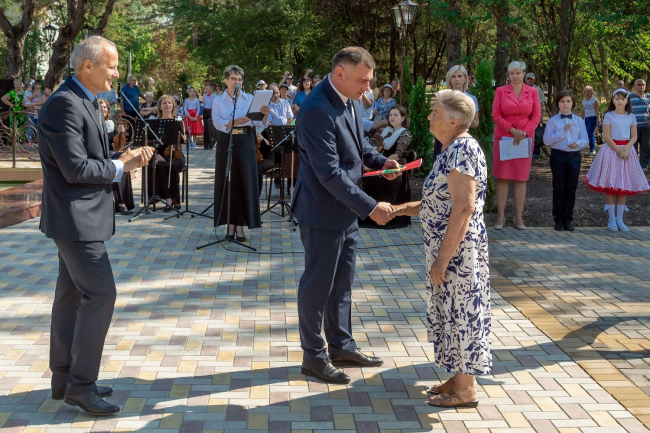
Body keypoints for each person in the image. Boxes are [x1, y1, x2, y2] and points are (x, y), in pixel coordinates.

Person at [38, 36, 153, 415]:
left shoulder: (84, 100)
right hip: (74, 220)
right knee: (101, 295)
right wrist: (122, 165)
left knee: (71, 297)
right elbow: (74, 169)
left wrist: (120, 157)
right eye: (111, 65)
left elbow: (87, 157)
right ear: (87, 66)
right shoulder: (64, 104)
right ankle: (81, 386)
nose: (117, 73)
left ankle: (64, 379)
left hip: (79, 218)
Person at [291, 47, 400, 384]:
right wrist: (371, 207)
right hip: (321, 212)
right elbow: (329, 173)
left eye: (369, 81)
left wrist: (382, 162)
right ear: (340, 73)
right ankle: (313, 357)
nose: (368, 88)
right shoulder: (315, 109)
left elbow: (358, 144)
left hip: (346, 211)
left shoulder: (351, 99)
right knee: (317, 286)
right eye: (362, 81)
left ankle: (341, 346)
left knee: (342, 284)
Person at [389, 89, 490, 408]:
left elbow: (464, 208)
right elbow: (437, 203)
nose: (430, 117)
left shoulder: (462, 149)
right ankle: (459, 378)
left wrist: (442, 260)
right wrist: (399, 209)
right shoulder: (452, 149)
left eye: (436, 112)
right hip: (450, 250)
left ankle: (466, 390)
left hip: (458, 253)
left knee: (462, 314)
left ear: (454, 120)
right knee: (451, 314)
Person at [212, 65, 271, 241]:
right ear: (226, 80)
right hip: (227, 141)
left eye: (240, 79)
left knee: (244, 183)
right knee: (228, 183)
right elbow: (216, 122)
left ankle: (240, 227)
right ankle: (229, 225)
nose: (237, 82)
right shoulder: (218, 100)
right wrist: (234, 122)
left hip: (245, 141)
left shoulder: (250, 98)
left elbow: (259, 123)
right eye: (233, 79)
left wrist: (264, 115)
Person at [585, 88, 649, 231]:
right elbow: (607, 136)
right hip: (611, 151)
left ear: (627, 101)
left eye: (623, 99)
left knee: (623, 185)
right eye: (617, 98)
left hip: (627, 152)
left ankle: (620, 219)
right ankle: (611, 219)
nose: (620, 101)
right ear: (613, 100)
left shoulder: (631, 116)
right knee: (611, 185)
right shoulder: (609, 115)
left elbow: (634, 136)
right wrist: (618, 150)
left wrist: (625, 149)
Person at [491, 61, 541, 230]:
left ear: (524, 74)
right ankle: (500, 216)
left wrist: (523, 133)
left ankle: (518, 217)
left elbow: (536, 117)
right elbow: (496, 114)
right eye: (512, 73)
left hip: (525, 139)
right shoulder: (501, 91)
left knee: (521, 178)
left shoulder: (533, 92)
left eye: (518, 73)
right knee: (503, 177)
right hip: (504, 137)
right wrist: (512, 130)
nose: (515, 76)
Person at [361, 105, 412, 229]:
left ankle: (386, 216)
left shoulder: (405, 133)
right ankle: (368, 215)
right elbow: (376, 149)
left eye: (396, 115)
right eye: (390, 115)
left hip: (396, 166)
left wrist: (379, 166)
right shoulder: (386, 130)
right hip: (382, 162)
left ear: (403, 118)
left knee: (376, 178)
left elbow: (397, 155)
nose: (392, 117)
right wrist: (371, 163)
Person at [543, 90, 589, 231]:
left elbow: (585, 139)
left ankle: (568, 219)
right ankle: (558, 220)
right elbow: (546, 141)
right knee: (559, 187)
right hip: (558, 156)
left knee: (571, 188)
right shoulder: (553, 121)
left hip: (574, 157)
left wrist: (577, 144)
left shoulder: (579, 120)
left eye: (568, 101)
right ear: (558, 103)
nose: (565, 104)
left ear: (572, 103)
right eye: (562, 101)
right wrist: (563, 131)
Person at [148, 95, 186, 211]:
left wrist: (182, 136)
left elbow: (183, 140)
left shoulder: (178, 120)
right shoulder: (154, 122)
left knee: (172, 165)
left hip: (176, 155)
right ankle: (167, 198)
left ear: (173, 106)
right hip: (159, 154)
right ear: (160, 107)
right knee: (160, 166)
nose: (167, 105)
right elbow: (150, 142)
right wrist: (156, 155)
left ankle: (174, 199)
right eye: (164, 103)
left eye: (170, 103)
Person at [100, 98, 134, 215]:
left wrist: (121, 133)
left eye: (105, 107)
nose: (103, 109)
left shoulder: (110, 124)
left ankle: (125, 201)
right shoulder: (94, 123)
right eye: (101, 107)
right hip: (99, 154)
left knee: (124, 164)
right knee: (116, 166)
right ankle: (120, 203)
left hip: (111, 152)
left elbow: (118, 142)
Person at [525, 72, 546, 161]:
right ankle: (525, 153)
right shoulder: (521, 88)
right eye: (528, 78)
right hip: (525, 116)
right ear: (525, 79)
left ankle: (536, 153)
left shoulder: (538, 90)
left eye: (531, 79)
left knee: (535, 134)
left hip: (534, 116)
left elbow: (540, 103)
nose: (530, 80)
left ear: (534, 80)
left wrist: (540, 116)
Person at [629, 79, 650, 169]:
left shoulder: (648, 97)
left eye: (643, 85)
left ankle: (643, 166)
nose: (641, 86)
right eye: (639, 85)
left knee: (645, 146)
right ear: (635, 86)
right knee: (633, 147)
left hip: (646, 125)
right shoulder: (629, 97)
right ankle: (633, 166)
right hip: (633, 126)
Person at [24, 81, 46, 146]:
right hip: (30, 111)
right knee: (30, 126)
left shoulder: (42, 92)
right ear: (34, 85)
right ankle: (29, 142)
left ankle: (39, 142)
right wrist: (27, 105)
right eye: (36, 83)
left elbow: (44, 101)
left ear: (41, 85)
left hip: (39, 111)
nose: (38, 85)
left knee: (39, 126)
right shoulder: (30, 91)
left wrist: (34, 104)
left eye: (39, 84)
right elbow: (24, 101)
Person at [580, 86, 600, 156]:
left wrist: (598, 120)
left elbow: (597, 110)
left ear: (591, 92)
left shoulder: (594, 100)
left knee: (590, 133)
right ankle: (590, 149)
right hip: (587, 118)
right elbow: (583, 111)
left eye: (589, 91)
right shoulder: (583, 101)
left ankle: (593, 150)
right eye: (586, 91)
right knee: (587, 134)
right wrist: (581, 119)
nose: (587, 93)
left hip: (593, 118)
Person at [203, 83, 218, 149]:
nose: (206, 90)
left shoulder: (215, 97)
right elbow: (204, 104)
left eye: (207, 88)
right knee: (205, 128)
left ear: (211, 89)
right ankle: (205, 144)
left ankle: (211, 144)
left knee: (211, 128)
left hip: (212, 111)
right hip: (206, 111)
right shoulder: (204, 96)